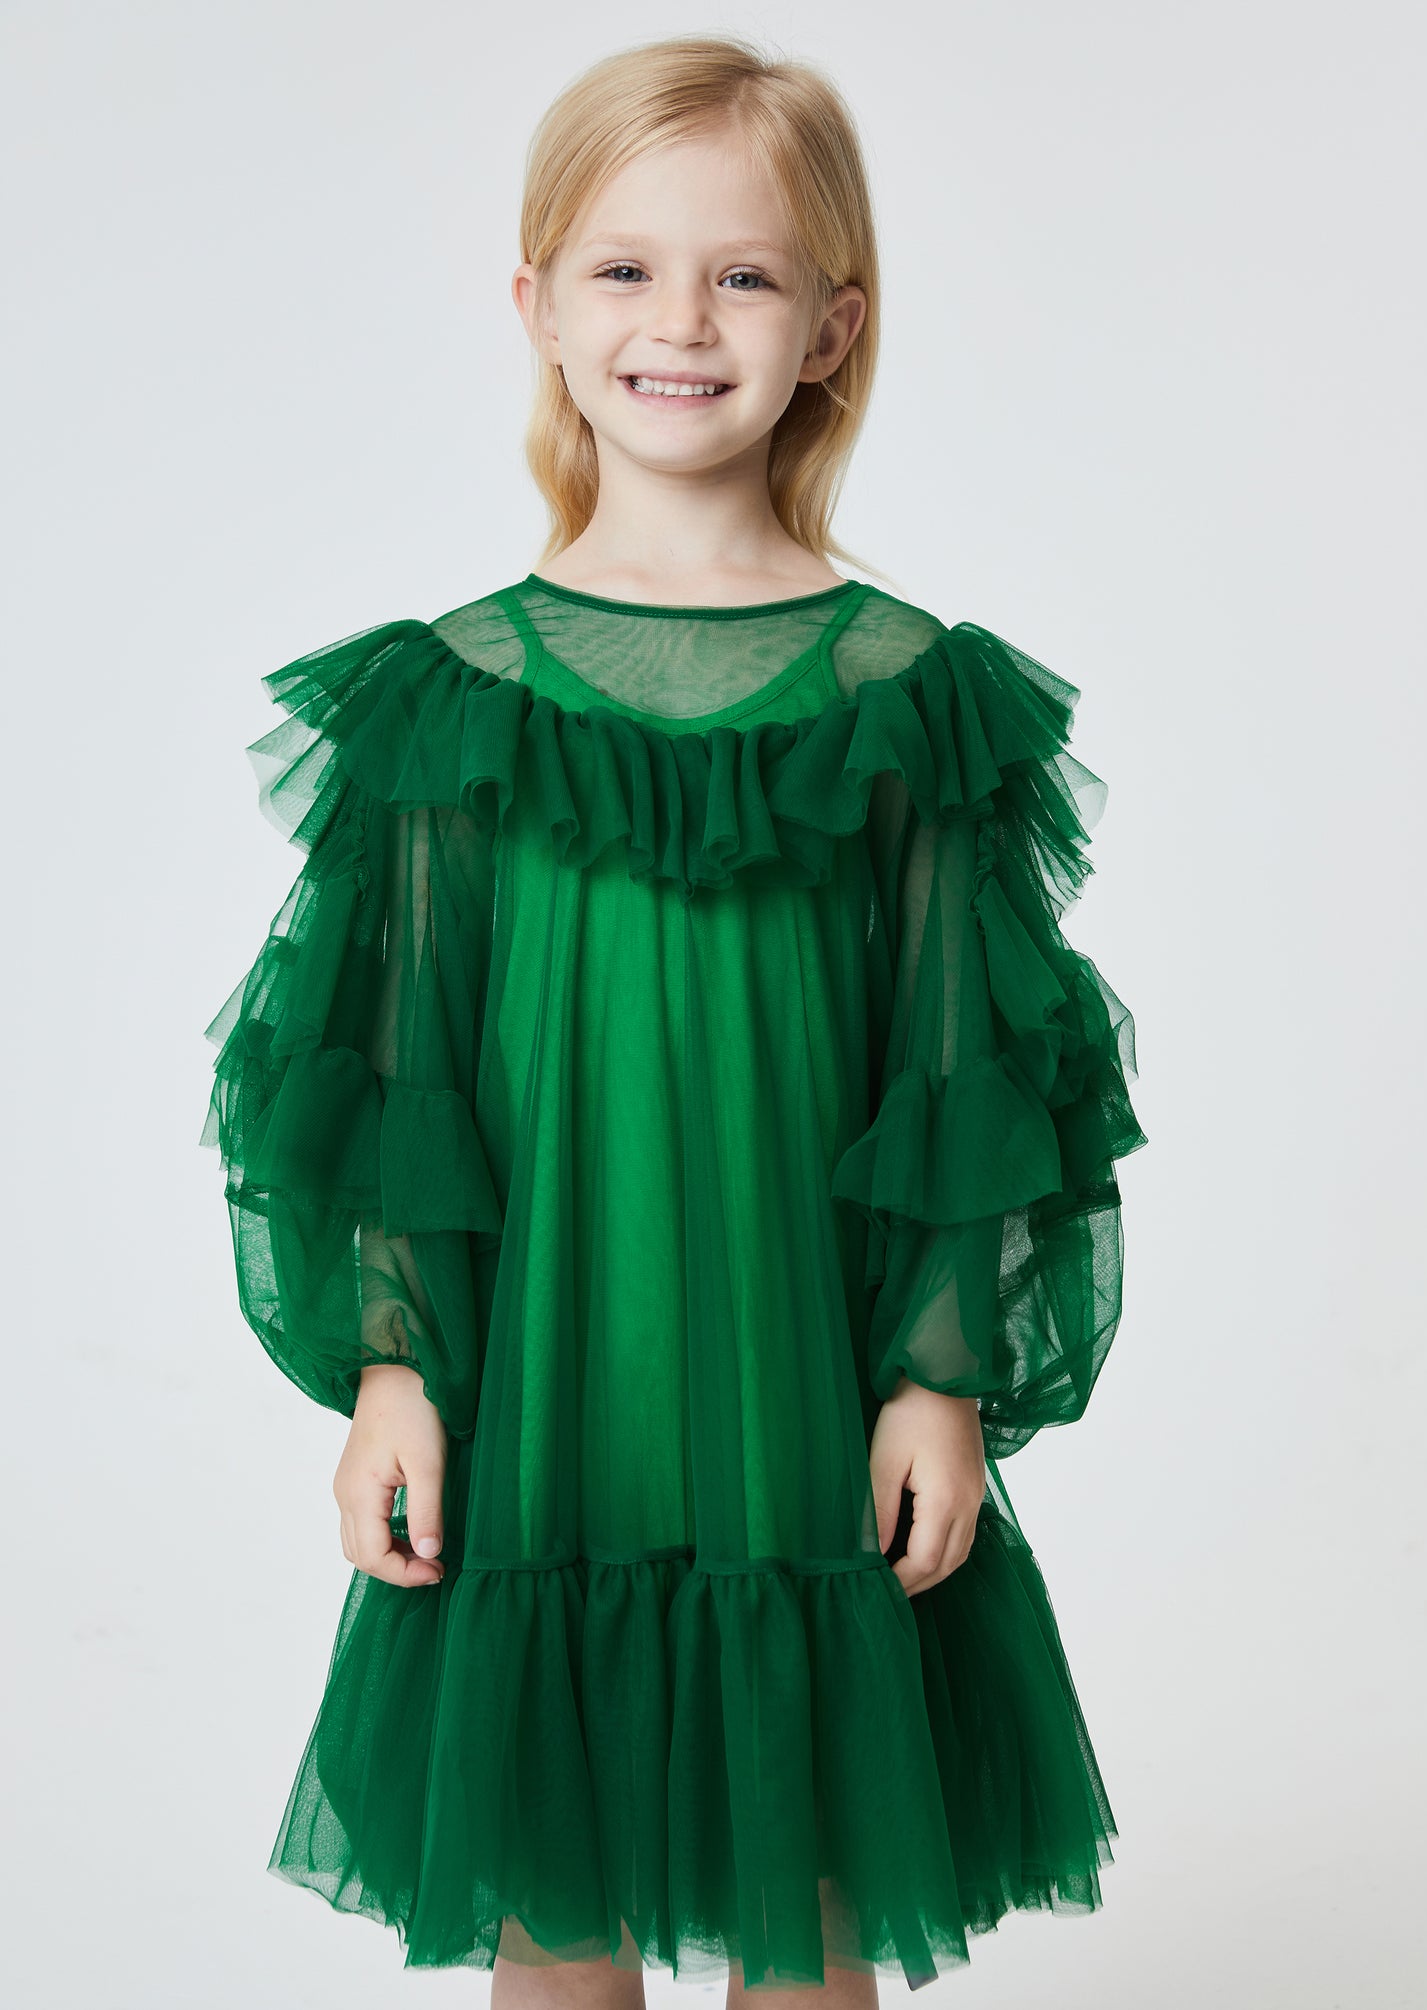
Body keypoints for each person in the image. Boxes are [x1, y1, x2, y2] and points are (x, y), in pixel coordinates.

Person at [199, 31, 1148, 2006]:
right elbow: (397, 1071)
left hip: (807, 1399)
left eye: (745, 273)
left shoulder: (907, 696)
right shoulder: (453, 698)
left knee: (815, 1898)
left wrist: (939, 1379)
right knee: (555, 1898)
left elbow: (966, 1071)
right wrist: (394, 1367)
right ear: (538, 308)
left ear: (832, 326)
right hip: (549, 1403)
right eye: (626, 268)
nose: (682, 322)